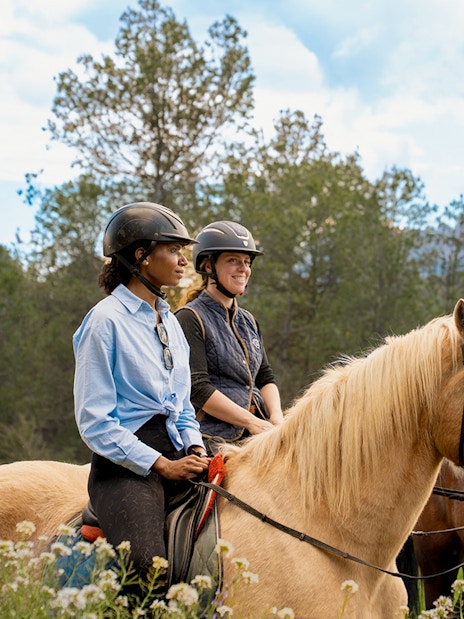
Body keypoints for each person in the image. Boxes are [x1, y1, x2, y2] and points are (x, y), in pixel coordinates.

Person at [73, 202, 210, 586]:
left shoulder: (170, 321)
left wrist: (196, 447)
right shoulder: (104, 321)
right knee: (148, 566)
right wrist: (162, 465)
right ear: (141, 256)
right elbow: (94, 422)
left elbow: (182, 407)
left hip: (177, 449)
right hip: (124, 466)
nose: (184, 260)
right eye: (173, 250)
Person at [175, 221, 284, 454]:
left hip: (260, 432)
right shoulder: (189, 318)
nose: (243, 268)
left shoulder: (249, 321)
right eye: (233, 260)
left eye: (246, 261)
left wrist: (276, 420)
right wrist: (252, 423)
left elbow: (265, 377)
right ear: (208, 265)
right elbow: (198, 389)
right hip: (213, 438)